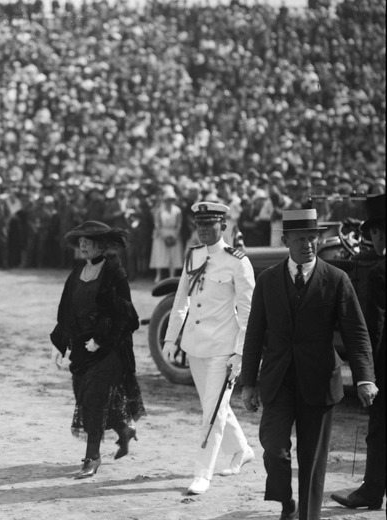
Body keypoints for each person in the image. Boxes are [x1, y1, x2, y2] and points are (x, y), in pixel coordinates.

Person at [241, 208, 377, 520]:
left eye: (313, 238)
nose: (308, 244)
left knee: (312, 459)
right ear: (285, 241)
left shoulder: (336, 279)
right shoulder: (268, 279)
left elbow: (356, 333)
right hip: (278, 381)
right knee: (273, 447)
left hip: (319, 381)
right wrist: (249, 383)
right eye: (300, 239)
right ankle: (287, 504)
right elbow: (255, 333)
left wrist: (364, 378)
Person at [162, 202, 257, 495]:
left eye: (210, 225)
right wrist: (170, 339)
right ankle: (242, 449)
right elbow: (181, 302)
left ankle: (202, 473)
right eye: (200, 225)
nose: (204, 230)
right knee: (212, 406)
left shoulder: (237, 261)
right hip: (195, 345)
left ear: (224, 227)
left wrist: (241, 353)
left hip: (223, 348)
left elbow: (248, 312)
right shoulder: (193, 255)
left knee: (212, 412)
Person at [50, 221, 145, 478]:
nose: (82, 244)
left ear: (101, 244)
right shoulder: (77, 272)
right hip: (81, 348)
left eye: (88, 240)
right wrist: (60, 345)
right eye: (80, 239)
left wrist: (102, 340)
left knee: (94, 399)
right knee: (83, 394)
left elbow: (127, 317)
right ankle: (124, 430)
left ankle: (92, 457)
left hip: (109, 349)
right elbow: (66, 312)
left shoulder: (114, 272)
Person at [332, 191, 386, 510]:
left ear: (379, 231)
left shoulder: (379, 272)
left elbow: (373, 330)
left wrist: (368, 375)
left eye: (372, 233)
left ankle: (371, 490)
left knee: (378, 429)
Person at [150, 187, 183, 281]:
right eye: (167, 200)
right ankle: (158, 275)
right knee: (160, 254)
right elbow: (157, 224)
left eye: (171, 200)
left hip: (173, 233)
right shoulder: (159, 210)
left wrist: (176, 235)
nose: (169, 202)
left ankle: (172, 275)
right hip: (162, 234)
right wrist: (163, 236)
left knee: (173, 254)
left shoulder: (177, 210)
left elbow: (179, 224)